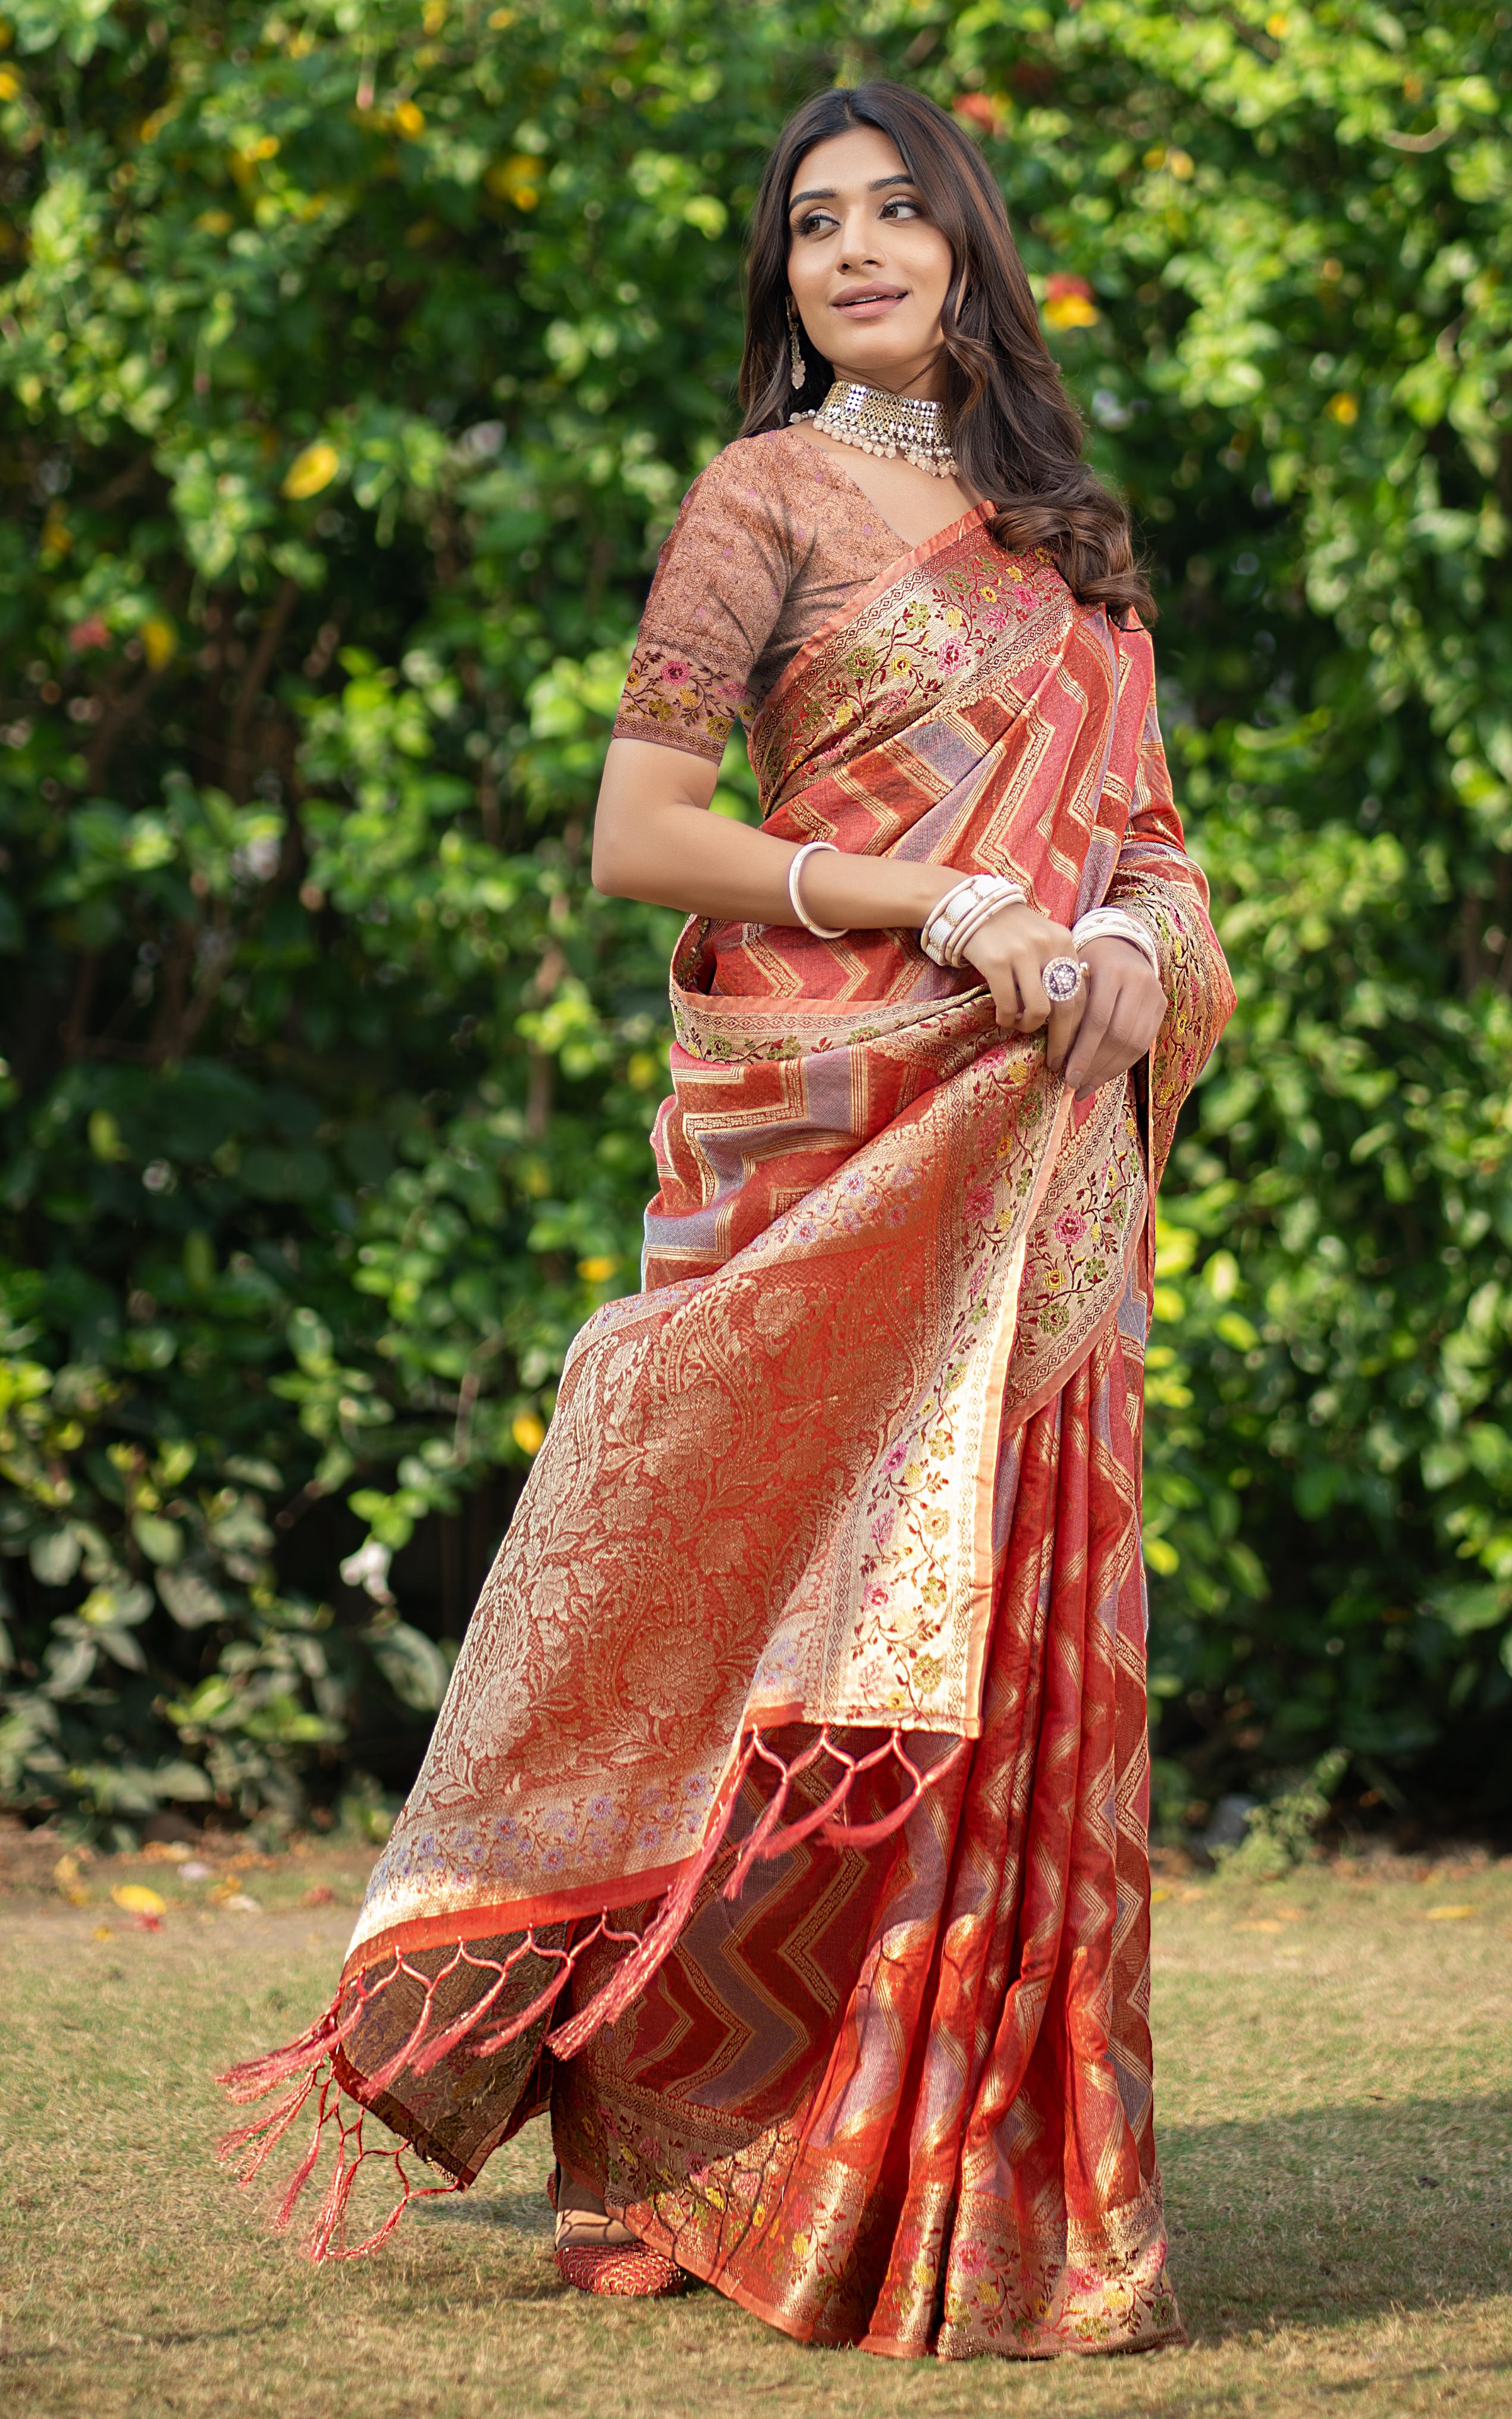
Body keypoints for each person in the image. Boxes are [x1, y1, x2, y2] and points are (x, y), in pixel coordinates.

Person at [223, 79, 1234, 2362]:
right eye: (812, 226)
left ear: (974, 246)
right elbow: (642, 835)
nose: (858, 249)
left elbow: (1157, 836)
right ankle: (688, 2145)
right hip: (839, 1141)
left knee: (1004, 1677)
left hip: (1041, 1166)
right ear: (778, 281)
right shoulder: (752, 500)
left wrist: (1131, 954)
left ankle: (995, 2189)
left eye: (900, 211)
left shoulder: (1073, 533)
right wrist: (951, 900)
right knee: (773, 1642)